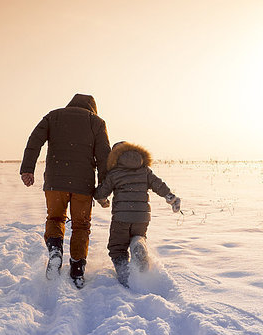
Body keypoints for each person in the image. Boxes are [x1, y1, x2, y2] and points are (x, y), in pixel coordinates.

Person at [20, 94, 111, 288]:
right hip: (83, 186)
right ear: (92, 109)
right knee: (81, 226)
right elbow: (104, 157)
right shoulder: (96, 122)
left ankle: (55, 251)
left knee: (55, 219)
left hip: (55, 183)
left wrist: (27, 168)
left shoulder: (54, 116)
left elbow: (34, 140)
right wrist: (103, 189)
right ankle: (77, 268)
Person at [94, 141, 181, 287]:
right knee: (138, 235)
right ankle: (138, 242)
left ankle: (125, 275)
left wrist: (103, 199)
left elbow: (100, 193)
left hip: (121, 218)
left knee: (117, 247)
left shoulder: (115, 173)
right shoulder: (144, 170)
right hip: (142, 217)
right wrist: (170, 197)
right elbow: (158, 185)